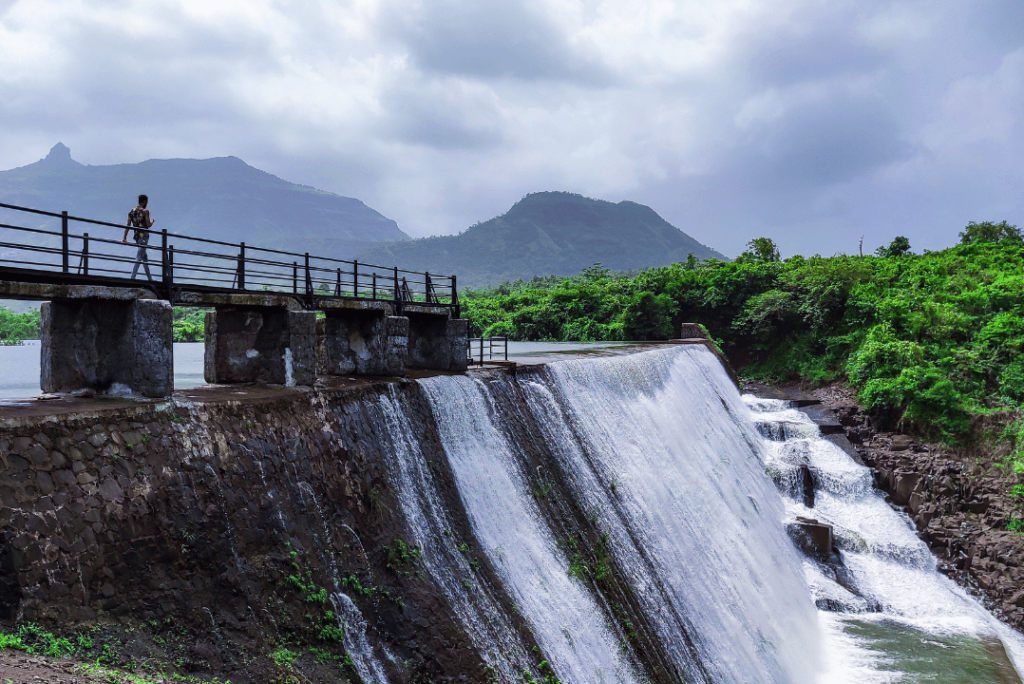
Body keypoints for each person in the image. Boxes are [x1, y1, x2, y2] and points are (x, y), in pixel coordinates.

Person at [123, 194, 155, 280]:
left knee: (144, 258)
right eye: (147, 202)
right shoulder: (145, 211)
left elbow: (128, 225)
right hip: (144, 237)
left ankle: (150, 279)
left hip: (137, 237)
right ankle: (132, 278)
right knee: (139, 257)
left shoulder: (131, 212)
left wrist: (124, 237)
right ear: (144, 201)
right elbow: (148, 225)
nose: (147, 203)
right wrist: (152, 221)